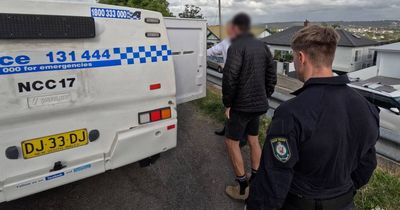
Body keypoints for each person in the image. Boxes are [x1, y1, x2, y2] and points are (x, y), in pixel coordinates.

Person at [246, 25, 380, 210]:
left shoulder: (291, 112)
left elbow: (274, 177)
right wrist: (340, 193)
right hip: (345, 203)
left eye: (293, 57)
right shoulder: (366, 107)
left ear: (301, 58)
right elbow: (367, 163)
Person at [222, 13, 276, 200]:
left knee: (231, 142)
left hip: (241, 106)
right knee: (253, 140)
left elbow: (230, 78)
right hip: (259, 104)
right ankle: (256, 181)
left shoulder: (236, 47)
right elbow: (272, 75)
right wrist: (265, 95)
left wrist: (228, 103)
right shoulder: (263, 47)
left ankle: (243, 187)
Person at [207, 23, 234, 137]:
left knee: (232, 105)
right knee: (230, 105)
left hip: (233, 78)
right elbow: (210, 51)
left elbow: (209, 52)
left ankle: (235, 136)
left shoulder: (227, 42)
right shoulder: (226, 42)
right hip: (233, 77)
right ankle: (228, 128)